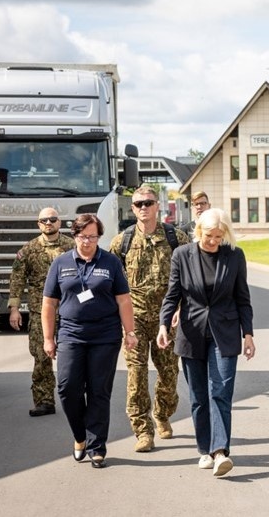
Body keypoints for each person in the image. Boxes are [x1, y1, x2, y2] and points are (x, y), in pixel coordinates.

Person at [156, 208, 254, 477]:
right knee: (199, 397)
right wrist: (163, 325)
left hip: (225, 333)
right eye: (209, 235)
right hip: (191, 333)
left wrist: (248, 334)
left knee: (220, 391)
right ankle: (205, 449)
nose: (213, 241)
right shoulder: (182, 255)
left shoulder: (234, 255)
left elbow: (243, 298)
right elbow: (172, 294)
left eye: (219, 236)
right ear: (199, 231)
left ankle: (220, 451)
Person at [42, 214, 138, 469]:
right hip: (71, 334)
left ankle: (97, 447)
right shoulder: (61, 263)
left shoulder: (110, 262)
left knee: (98, 391)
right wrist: (48, 338)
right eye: (83, 236)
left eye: (93, 237)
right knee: (67, 388)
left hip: (105, 336)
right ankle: (80, 436)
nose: (88, 242)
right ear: (74, 235)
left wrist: (130, 332)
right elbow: (49, 303)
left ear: (99, 237)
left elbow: (123, 299)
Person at [109, 185, 190, 452]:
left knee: (169, 374)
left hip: (167, 319)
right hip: (135, 320)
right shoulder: (121, 242)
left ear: (158, 206)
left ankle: (162, 414)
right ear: (133, 209)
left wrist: (181, 307)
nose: (143, 208)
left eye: (148, 203)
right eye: (138, 204)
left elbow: (191, 277)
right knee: (136, 374)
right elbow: (111, 283)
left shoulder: (176, 238)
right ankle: (143, 430)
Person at [8, 207, 75, 417]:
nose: (48, 223)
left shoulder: (72, 247)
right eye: (44, 220)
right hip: (39, 313)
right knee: (41, 357)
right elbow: (17, 279)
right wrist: (14, 309)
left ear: (59, 222)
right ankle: (44, 401)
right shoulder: (29, 249)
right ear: (38, 224)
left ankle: (74, 399)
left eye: (52, 219)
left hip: (69, 311)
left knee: (73, 357)